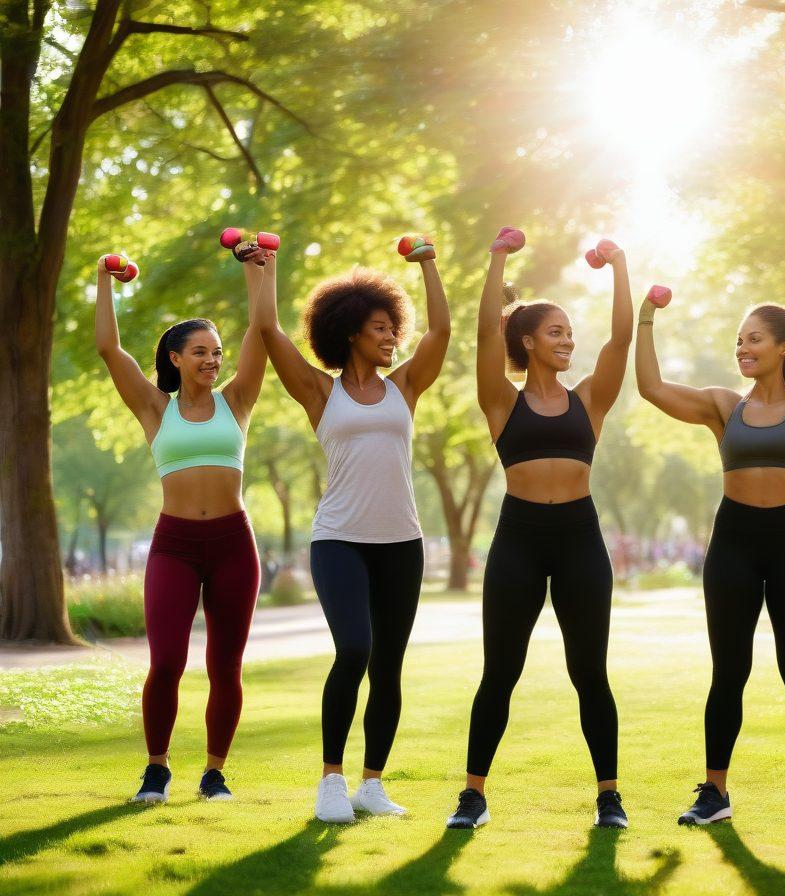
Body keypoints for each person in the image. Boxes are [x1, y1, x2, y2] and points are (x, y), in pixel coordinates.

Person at [636, 205, 785, 829]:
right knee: (729, 673)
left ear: (783, 347)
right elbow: (651, 387)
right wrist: (644, 317)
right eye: (738, 340)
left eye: (753, 339)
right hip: (734, 542)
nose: (741, 348)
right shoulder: (722, 406)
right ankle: (714, 792)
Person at [254, 242, 450, 823]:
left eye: (394, 327)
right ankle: (331, 781)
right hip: (339, 539)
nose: (393, 338)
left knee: (388, 663)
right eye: (381, 328)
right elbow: (266, 329)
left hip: (402, 542)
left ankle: (372, 784)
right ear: (349, 332)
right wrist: (261, 268)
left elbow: (440, 330)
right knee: (355, 649)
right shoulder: (320, 392)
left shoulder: (405, 388)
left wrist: (428, 265)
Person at [445, 228, 632, 830]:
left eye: (571, 335)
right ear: (527, 341)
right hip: (518, 539)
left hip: (580, 537)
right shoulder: (501, 400)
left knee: (590, 673)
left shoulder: (591, 400)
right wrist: (497, 257)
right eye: (556, 332)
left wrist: (620, 267)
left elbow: (622, 339)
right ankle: (472, 795)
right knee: (500, 670)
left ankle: (609, 797)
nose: (568, 342)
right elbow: (481, 334)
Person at [95, 245, 271, 803]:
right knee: (167, 660)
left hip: (232, 543)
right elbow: (107, 347)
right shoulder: (154, 408)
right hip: (173, 544)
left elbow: (263, 332)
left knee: (226, 664)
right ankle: (157, 768)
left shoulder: (237, 401)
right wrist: (105, 279)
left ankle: (215, 772)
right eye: (201, 352)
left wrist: (257, 270)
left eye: (217, 351)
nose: (213, 360)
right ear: (174, 357)